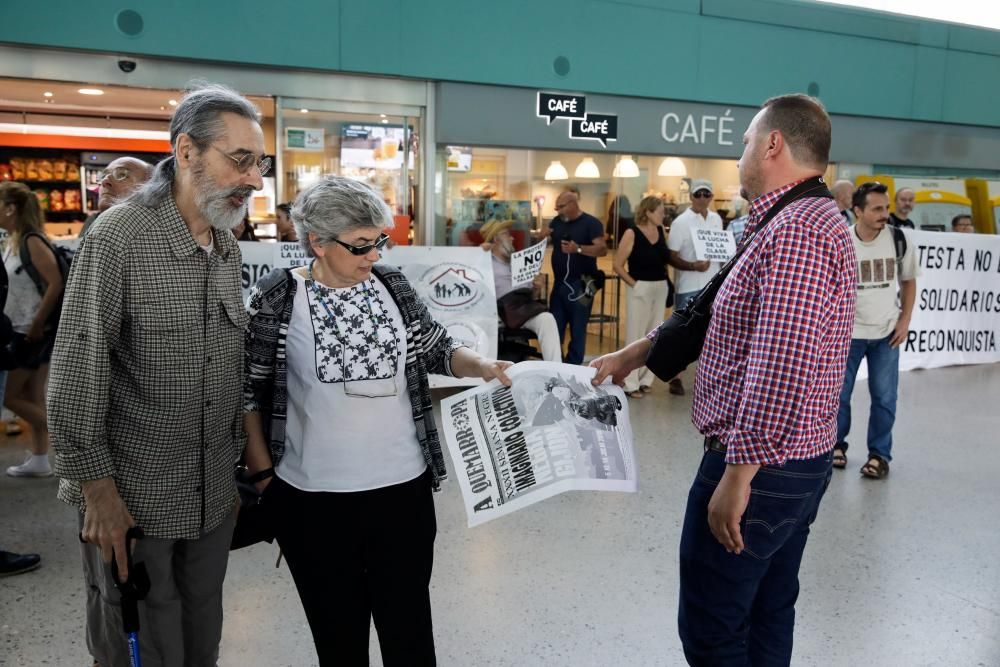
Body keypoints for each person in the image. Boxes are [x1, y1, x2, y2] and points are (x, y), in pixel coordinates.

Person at [591, 93, 856, 666]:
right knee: (766, 608)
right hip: (789, 458)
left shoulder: (797, 231)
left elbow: (782, 361)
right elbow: (713, 314)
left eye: (743, 143)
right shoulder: (787, 221)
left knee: (713, 629)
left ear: (773, 144)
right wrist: (636, 353)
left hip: (761, 462)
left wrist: (738, 475)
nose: (738, 156)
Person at [242, 175, 512, 666]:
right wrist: (265, 482)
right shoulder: (278, 297)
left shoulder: (391, 284)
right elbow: (247, 394)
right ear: (317, 242)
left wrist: (483, 366)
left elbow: (435, 346)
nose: (373, 256)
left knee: (409, 633)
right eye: (361, 246)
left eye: (379, 242)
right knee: (338, 639)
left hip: (401, 492)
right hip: (312, 500)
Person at [48, 82, 267, 666]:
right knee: (140, 641)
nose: (256, 180)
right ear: (187, 151)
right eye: (240, 160)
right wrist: (97, 492)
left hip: (210, 497)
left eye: (260, 163)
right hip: (133, 497)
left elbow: (228, 367)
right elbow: (76, 369)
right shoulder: (121, 236)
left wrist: (235, 474)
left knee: (202, 637)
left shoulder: (226, 245)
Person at [833, 181, 919, 479]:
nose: (885, 214)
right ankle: (836, 446)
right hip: (848, 335)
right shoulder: (841, 240)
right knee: (838, 396)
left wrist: (905, 320)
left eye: (886, 208)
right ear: (857, 211)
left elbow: (908, 281)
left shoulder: (898, 239)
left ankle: (879, 455)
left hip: (886, 334)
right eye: (877, 208)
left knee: (884, 398)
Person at [0, 181, 65, 478]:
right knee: (34, 396)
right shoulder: (14, 239)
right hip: (27, 329)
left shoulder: (31, 241)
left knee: (10, 397)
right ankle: (40, 460)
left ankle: (76, 443)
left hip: (31, 331)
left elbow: (55, 283)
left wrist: (37, 323)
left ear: (11, 208)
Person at [665, 178, 724, 395]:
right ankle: (675, 376)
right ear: (691, 196)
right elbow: (671, 256)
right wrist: (692, 266)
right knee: (682, 332)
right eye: (698, 194)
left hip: (713, 285)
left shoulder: (717, 219)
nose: (702, 198)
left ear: (711, 197)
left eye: (706, 194)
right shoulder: (682, 222)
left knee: (710, 333)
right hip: (689, 285)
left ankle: (706, 378)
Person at [612, 195, 669, 398]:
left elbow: (665, 258)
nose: (663, 215)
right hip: (640, 286)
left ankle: (646, 379)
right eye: (660, 211)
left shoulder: (661, 231)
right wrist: (635, 285)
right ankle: (630, 382)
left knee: (654, 334)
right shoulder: (632, 233)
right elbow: (617, 265)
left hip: (659, 286)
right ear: (648, 212)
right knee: (635, 334)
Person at [482, 218, 562, 362]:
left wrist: (537, 288)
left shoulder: (519, 261)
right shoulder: (485, 261)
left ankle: (555, 369)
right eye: (507, 234)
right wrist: (481, 250)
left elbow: (532, 295)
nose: (512, 237)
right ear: (496, 238)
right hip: (498, 310)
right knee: (489, 322)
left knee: (547, 319)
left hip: (522, 307)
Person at [546, 190, 607, 365]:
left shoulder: (591, 223)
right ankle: (555, 366)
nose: (558, 211)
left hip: (585, 282)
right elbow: (545, 238)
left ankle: (573, 367)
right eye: (556, 207)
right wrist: (541, 235)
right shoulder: (557, 222)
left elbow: (602, 249)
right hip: (559, 283)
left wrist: (578, 249)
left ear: (573, 204)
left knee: (578, 328)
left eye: (561, 207)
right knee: (555, 327)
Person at [79, 157, 154, 238]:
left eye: (122, 175)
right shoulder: (92, 220)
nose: (105, 181)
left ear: (148, 188)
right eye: (103, 176)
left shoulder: (155, 233)